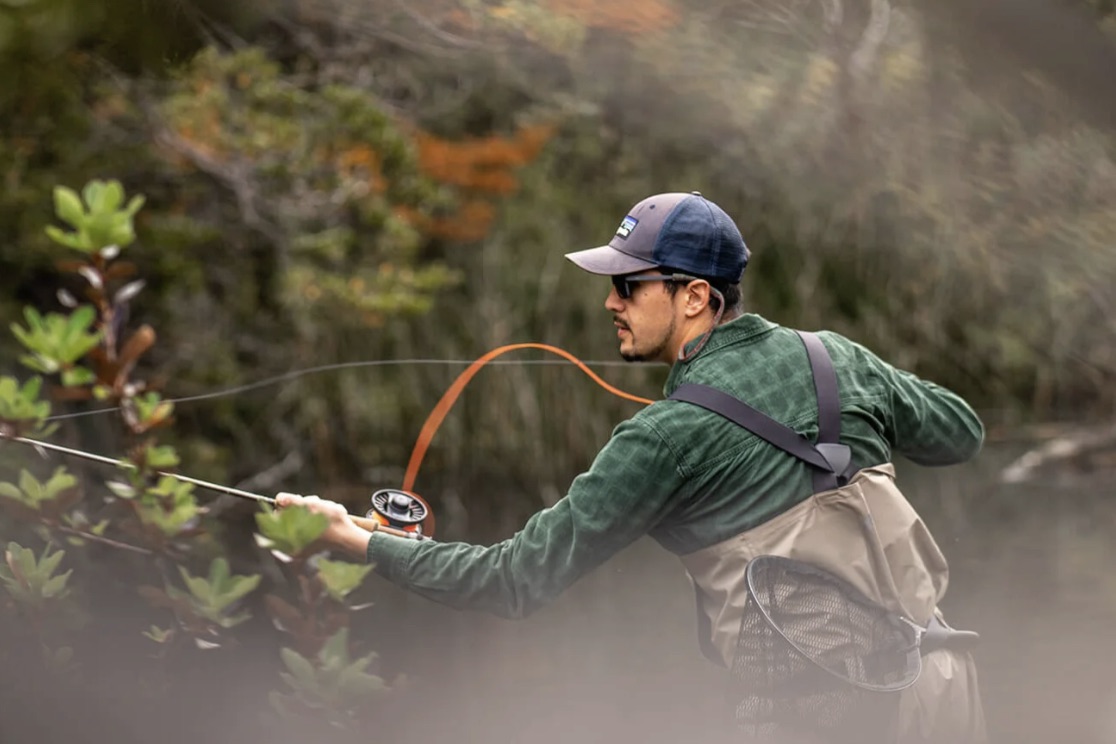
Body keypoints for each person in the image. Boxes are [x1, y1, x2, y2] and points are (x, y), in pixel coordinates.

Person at [276, 191, 987, 743]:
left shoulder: (661, 440)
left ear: (696, 297)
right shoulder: (838, 357)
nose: (610, 303)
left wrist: (355, 539)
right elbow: (961, 434)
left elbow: (513, 581)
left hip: (820, 723)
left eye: (630, 286)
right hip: (943, 694)